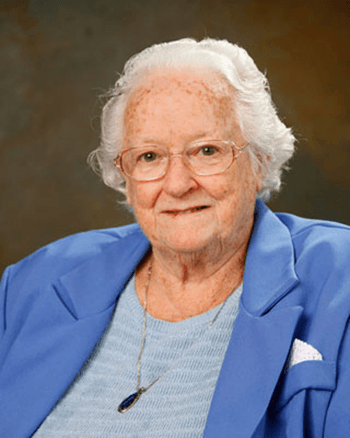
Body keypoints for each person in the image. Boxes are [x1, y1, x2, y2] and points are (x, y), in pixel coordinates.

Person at [0, 37, 349, 438]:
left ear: (260, 160)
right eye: (149, 156)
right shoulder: (32, 283)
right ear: (125, 178)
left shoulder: (340, 279)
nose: (178, 183)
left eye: (206, 150)